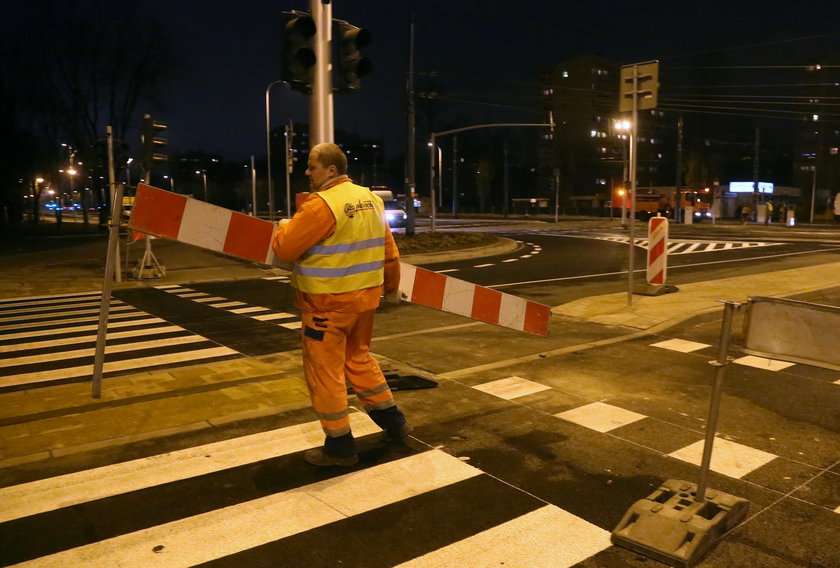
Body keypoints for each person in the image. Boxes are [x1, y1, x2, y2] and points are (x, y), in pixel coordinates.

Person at [271, 143, 410, 467]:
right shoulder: (371, 199)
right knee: (358, 360)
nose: (307, 172)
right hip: (364, 302)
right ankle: (395, 423)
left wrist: (282, 227)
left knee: (325, 373)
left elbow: (288, 248)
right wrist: (391, 288)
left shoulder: (322, 204)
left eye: (311, 166)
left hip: (326, 307)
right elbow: (390, 252)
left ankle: (340, 447)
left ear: (331, 170)